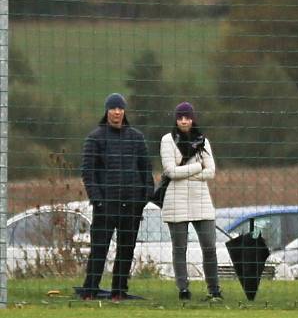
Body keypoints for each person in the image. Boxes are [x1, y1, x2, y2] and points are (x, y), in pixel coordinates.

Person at [81, 92, 154, 302]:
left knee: (126, 250)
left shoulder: (136, 137)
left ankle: (119, 291)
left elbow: (146, 170)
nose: (117, 112)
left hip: (131, 205)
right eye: (113, 108)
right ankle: (90, 291)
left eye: (120, 108)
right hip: (105, 206)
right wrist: (98, 200)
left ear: (124, 111)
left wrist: (143, 198)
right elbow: (88, 173)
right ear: (107, 111)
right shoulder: (95, 138)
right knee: (99, 250)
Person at [160, 101, 221, 301]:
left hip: (200, 200)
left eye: (187, 117)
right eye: (180, 117)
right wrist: (196, 168)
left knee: (210, 247)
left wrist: (188, 174)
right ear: (176, 119)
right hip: (175, 201)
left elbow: (211, 171)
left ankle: (214, 289)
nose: (184, 121)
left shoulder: (203, 141)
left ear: (193, 119)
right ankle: (183, 289)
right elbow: (170, 171)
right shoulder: (167, 140)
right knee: (180, 248)